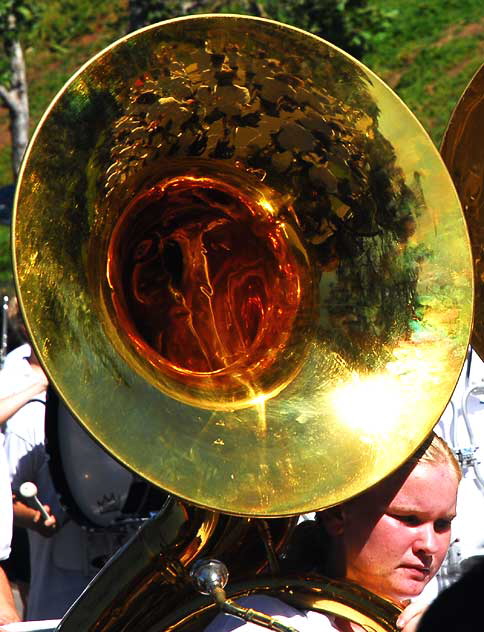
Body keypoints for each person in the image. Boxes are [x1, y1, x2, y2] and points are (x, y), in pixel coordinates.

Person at [205, 433, 460, 632]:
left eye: (442, 524)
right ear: (337, 515)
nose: (429, 545)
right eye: (409, 519)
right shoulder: (261, 621)